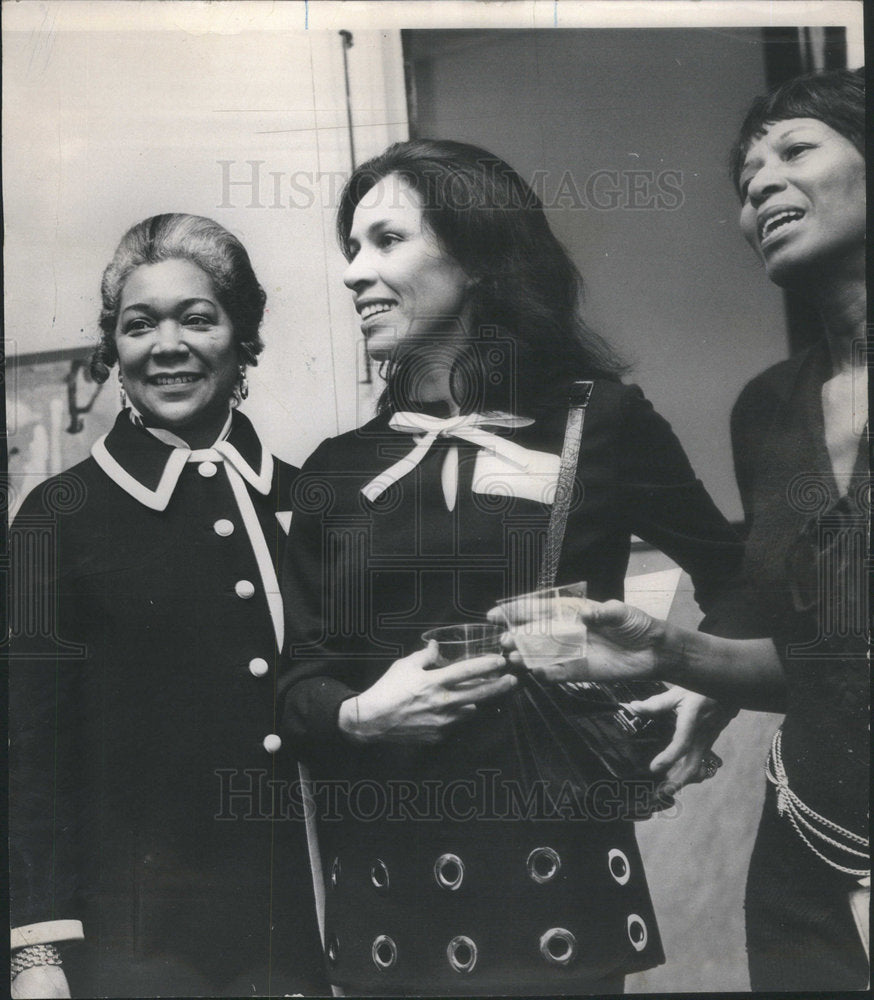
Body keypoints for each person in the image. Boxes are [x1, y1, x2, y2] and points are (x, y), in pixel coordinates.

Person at [277, 139, 743, 995]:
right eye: (350, 247)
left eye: (384, 241)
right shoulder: (335, 469)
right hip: (390, 895)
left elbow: (742, 579)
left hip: (557, 879)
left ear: (479, 257)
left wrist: (705, 692)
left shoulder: (598, 422)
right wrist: (359, 715)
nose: (353, 272)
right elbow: (299, 680)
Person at [499, 68, 868, 991]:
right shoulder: (765, 411)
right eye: (746, 178)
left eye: (795, 150)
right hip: (813, 854)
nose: (758, 186)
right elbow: (816, 667)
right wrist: (670, 651)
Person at [8, 214, 327, 998]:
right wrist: (36, 951)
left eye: (197, 317)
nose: (167, 345)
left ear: (243, 336)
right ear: (114, 350)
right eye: (138, 324)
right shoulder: (60, 514)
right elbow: (29, 750)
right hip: (137, 949)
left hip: (305, 933)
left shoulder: (310, 500)